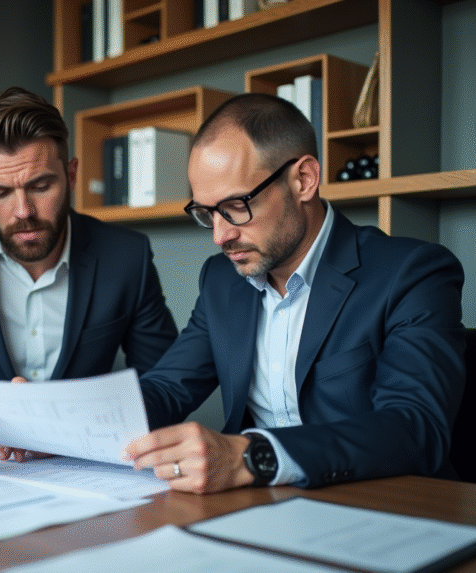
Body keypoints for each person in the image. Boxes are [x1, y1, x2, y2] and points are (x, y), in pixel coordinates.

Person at [123, 92, 466, 493]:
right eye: (207, 213)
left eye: (236, 206)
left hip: (380, 503)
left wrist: (253, 455)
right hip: (256, 507)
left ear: (303, 180)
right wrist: (57, 426)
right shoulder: (221, 279)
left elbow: (415, 426)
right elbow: (167, 387)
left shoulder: (412, 272)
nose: (220, 235)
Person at [0, 87, 178, 459]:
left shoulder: (127, 256)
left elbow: (164, 382)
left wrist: (67, 431)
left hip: (87, 463)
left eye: (40, 186)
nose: (23, 211)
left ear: (72, 174)